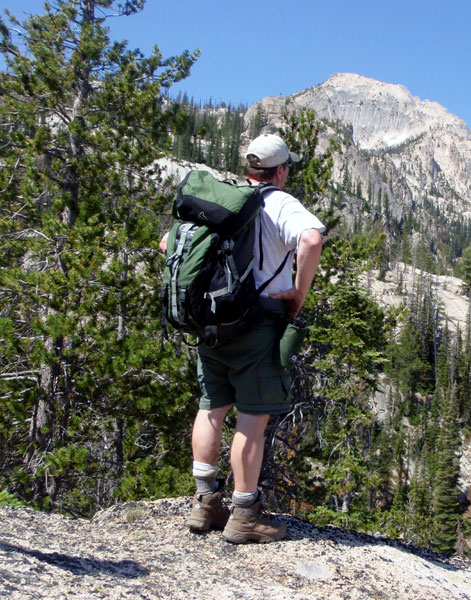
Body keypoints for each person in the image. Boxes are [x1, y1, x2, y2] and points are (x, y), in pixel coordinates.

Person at [163, 133, 324, 543]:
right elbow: (311, 239)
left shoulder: (221, 199)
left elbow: (168, 242)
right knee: (252, 419)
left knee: (211, 408)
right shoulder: (279, 202)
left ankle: (204, 504)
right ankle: (245, 515)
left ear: (248, 167)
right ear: (281, 170)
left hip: (211, 323)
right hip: (258, 325)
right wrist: (298, 294)